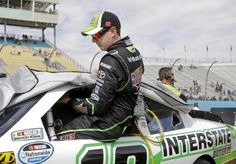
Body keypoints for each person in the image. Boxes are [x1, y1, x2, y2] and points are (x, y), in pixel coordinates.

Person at [57, 11, 144, 141]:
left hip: (109, 125)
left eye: (97, 35)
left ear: (113, 31)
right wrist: (105, 74)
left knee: (60, 135)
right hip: (125, 120)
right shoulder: (133, 52)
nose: (93, 40)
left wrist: (67, 101)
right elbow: (131, 75)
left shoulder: (111, 59)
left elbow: (95, 107)